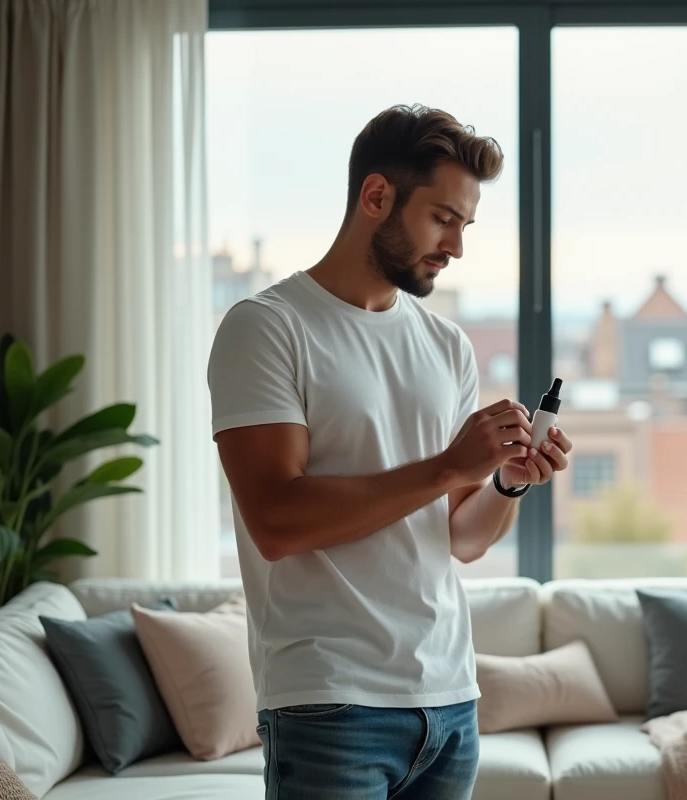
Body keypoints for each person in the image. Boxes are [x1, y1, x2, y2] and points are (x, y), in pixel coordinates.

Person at [206, 104, 573, 800]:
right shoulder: (267, 328)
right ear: (377, 196)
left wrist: (504, 485)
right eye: (442, 218)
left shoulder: (445, 345)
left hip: (450, 701)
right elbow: (277, 521)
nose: (456, 246)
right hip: (329, 704)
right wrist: (446, 467)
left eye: (465, 225)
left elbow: (459, 538)